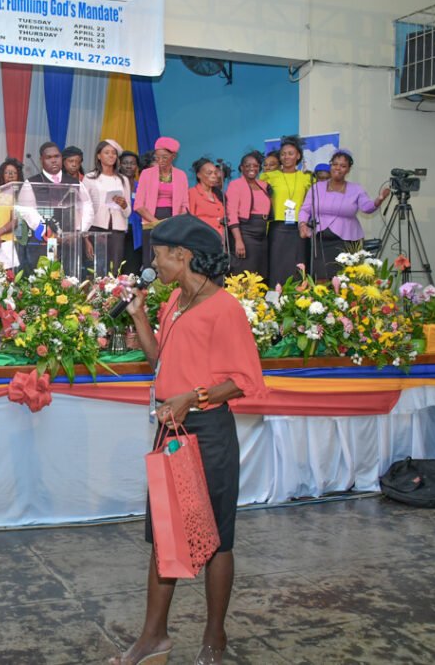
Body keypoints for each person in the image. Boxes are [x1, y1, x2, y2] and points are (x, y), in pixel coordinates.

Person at [119, 213, 265, 665]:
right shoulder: (176, 301)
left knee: (217, 539)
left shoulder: (224, 309)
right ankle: (153, 638)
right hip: (171, 430)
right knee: (167, 536)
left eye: (159, 254)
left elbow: (246, 380)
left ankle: (214, 638)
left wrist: (193, 397)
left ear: (182, 256)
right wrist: (140, 315)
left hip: (207, 432)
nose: (155, 264)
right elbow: (160, 359)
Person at [300, 149, 390, 279]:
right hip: (320, 241)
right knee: (321, 278)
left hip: (347, 241)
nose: (338, 168)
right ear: (331, 165)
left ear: (348, 169)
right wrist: (302, 224)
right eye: (335, 164)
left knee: (344, 279)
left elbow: (367, 208)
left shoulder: (356, 189)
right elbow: (305, 209)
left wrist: (379, 199)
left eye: (343, 166)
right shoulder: (316, 187)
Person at [16, 141, 94, 273]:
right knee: (45, 282)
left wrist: (78, 231)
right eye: (49, 157)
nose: (53, 161)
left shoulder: (75, 183)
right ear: (41, 160)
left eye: (56, 157)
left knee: (69, 283)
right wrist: (47, 232)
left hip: (70, 243)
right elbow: (28, 212)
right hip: (42, 243)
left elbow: (88, 208)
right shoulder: (32, 182)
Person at [261, 135, 313, 285]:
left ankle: (297, 298)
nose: (286, 157)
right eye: (283, 154)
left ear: (298, 156)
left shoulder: (307, 178)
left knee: (298, 264)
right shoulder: (268, 176)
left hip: (299, 227)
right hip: (277, 226)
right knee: (277, 264)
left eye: (290, 153)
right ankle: (275, 297)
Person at [134, 136, 190, 266]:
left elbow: (185, 205)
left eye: (164, 157)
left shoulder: (181, 175)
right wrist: (156, 223)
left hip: (173, 223)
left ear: (173, 157)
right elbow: (138, 205)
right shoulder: (146, 174)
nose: (160, 160)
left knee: (171, 261)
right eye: (157, 157)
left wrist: (174, 223)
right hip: (151, 220)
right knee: (151, 260)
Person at [83, 139, 132, 273]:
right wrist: (85, 237)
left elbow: (128, 213)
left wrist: (123, 205)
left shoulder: (123, 180)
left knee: (115, 269)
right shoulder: (90, 178)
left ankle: (113, 293)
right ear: (99, 156)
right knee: (97, 269)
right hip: (97, 228)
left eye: (114, 153)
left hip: (118, 230)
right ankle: (97, 294)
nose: (111, 156)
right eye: (107, 153)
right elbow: (83, 209)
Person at [226, 151, 271, 278]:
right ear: (241, 167)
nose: (252, 168)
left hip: (262, 234)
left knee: (260, 271)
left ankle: (257, 298)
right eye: (248, 165)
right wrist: (238, 240)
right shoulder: (235, 185)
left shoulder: (263, 185)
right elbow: (231, 213)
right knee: (245, 271)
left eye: (255, 165)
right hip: (246, 232)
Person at [186, 158, 238, 254]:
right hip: (202, 242)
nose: (214, 176)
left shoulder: (218, 195)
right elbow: (190, 220)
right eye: (209, 173)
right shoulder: (192, 193)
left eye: (215, 173)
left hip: (220, 242)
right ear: (199, 175)